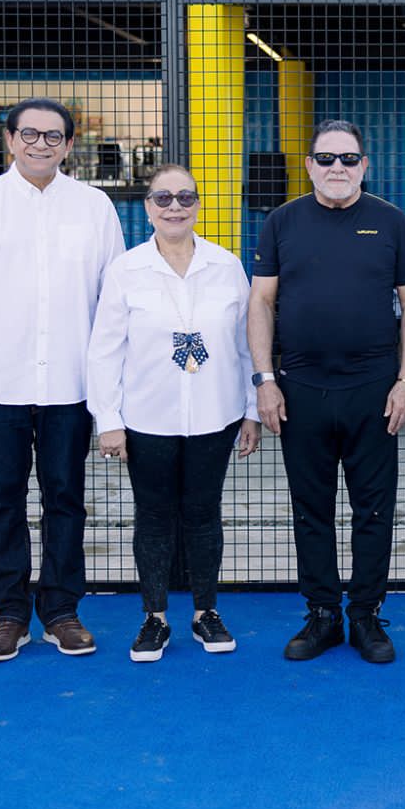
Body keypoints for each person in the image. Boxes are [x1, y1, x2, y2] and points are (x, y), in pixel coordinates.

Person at [0, 97, 126, 662]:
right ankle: (9, 614)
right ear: (10, 139)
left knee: (66, 498)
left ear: (69, 145)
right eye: (30, 134)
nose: (41, 144)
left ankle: (61, 611)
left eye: (53, 136)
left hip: (71, 382)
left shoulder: (94, 207)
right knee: (2, 499)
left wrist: (112, 389)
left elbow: (113, 301)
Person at [249, 120, 405, 664]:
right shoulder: (282, 222)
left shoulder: (391, 222)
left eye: (348, 159)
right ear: (309, 166)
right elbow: (261, 302)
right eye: (326, 159)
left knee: (374, 510)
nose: (337, 168)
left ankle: (365, 614)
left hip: (374, 390)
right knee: (311, 510)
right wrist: (265, 381)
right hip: (301, 389)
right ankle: (322, 613)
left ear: (364, 165)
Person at [87, 164, 260, 662]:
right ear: (148, 208)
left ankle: (206, 612)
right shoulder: (126, 270)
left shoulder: (226, 266)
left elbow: (246, 344)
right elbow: (104, 350)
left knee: (204, 514)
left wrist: (251, 410)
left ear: (198, 205)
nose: (175, 207)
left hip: (214, 414)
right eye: (163, 198)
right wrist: (108, 420)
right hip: (148, 418)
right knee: (154, 517)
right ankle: (155, 617)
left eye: (185, 197)